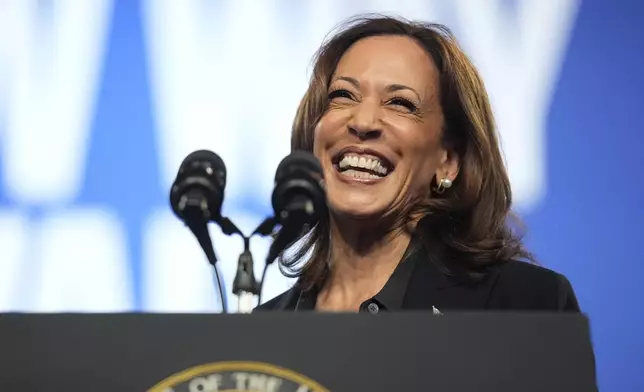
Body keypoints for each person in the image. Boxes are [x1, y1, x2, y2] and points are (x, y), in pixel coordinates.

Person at [256, 15, 580, 313]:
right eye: (343, 95)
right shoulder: (263, 331)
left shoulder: (524, 304)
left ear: (448, 162)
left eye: (400, 103)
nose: (364, 120)